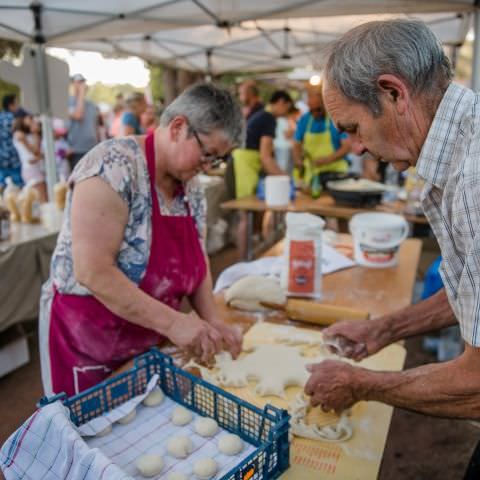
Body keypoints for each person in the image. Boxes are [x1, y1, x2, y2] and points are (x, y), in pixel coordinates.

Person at [304, 19, 480, 422]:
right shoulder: (462, 142)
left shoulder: (473, 177)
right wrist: (383, 329)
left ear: (393, 92)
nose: (358, 147)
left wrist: (362, 384)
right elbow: (473, 294)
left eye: (354, 128)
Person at [39, 83, 244, 397]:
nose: (207, 167)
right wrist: (174, 324)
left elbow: (197, 262)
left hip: (148, 336)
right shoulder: (112, 167)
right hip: (88, 339)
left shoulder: (190, 187)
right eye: (207, 155)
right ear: (178, 127)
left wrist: (213, 320)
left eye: (216, 161)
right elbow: (93, 271)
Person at [227, 83, 292, 258]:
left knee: (250, 213)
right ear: (280, 102)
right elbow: (265, 157)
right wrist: (285, 178)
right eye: (287, 107)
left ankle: (250, 254)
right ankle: (244, 261)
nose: (287, 111)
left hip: (245, 160)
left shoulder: (262, 114)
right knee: (245, 212)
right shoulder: (269, 118)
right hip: (244, 162)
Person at [293, 85, 351, 187]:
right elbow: (296, 144)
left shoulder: (335, 119)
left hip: (336, 172)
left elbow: (346, 147)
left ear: (325, 104)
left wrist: (327, 160)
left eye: (318, 109)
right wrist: (298, 161)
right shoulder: (304, 120)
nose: (315, 113)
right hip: (313, 174)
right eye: (312, 110)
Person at [67, 74, 100, 170]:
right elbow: (78, 115)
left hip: (92, 148)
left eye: (83, 82)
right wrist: (81, 93)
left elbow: (96, 126)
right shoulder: (68, 102)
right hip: (76, 150)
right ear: (73, 84)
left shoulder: (91, 104)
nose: (82, 85)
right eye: (79, 82)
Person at [12, 115, 47, 202]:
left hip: (37, 168)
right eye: (30, 118)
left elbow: (39, 153)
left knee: (44, 198)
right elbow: (35, 151)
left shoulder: (30, 134)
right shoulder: (19, 134)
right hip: (31, 169)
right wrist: (35, 133)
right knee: (42, 199)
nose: (32, 120)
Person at [0, 94, 22, 187]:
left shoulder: (0, 117)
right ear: (10, 105)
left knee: (4, 189)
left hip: (1, 159)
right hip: (13, 159)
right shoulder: (13, 119)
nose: (18, 106)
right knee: (18, 188)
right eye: (16, 103)